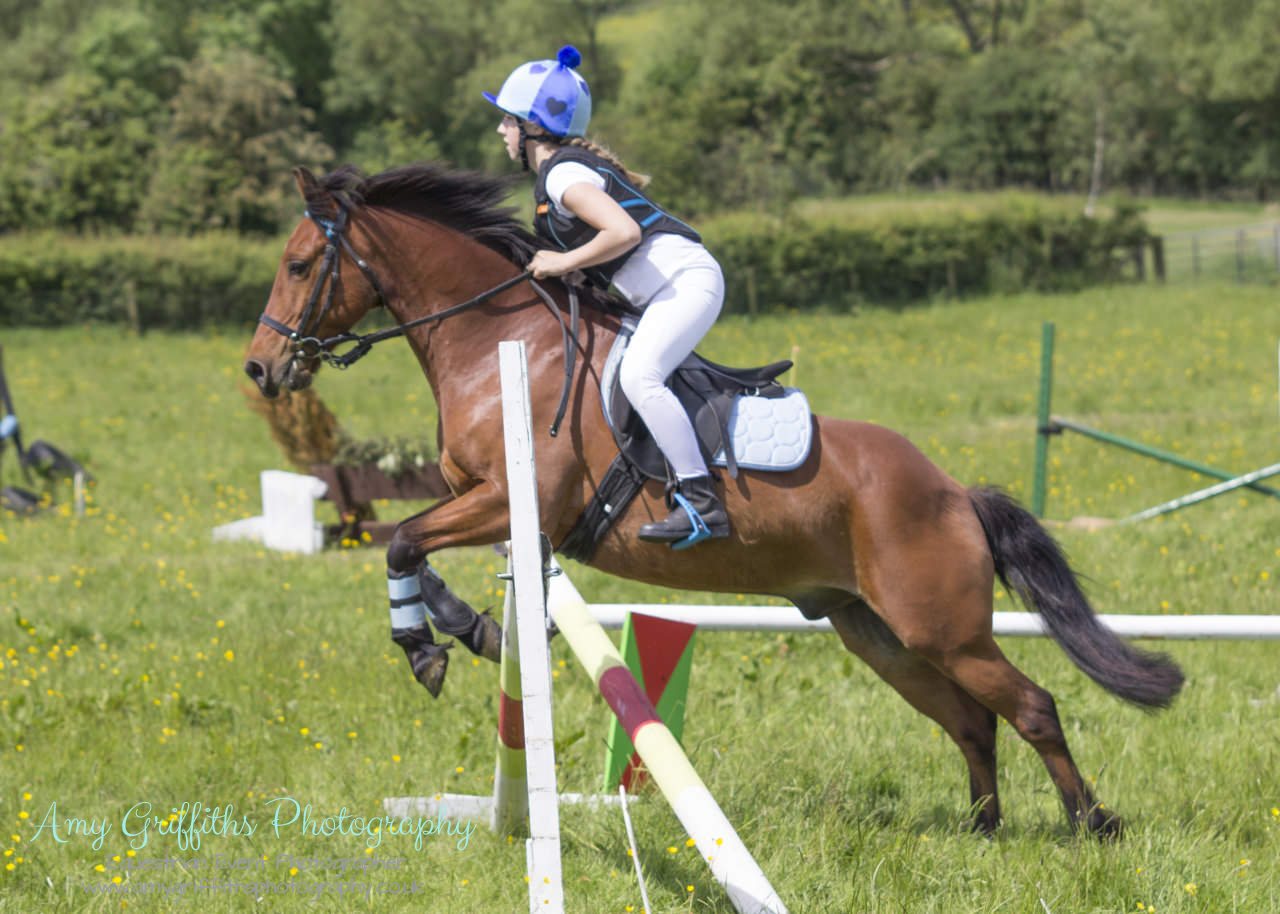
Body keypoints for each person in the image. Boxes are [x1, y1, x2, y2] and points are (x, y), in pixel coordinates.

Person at [483, 45, 729, 546]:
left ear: (532, 127)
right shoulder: (559, 178)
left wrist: (562, 261)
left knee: (640, 377)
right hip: (660, 291)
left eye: (508, 121)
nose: (501, 131)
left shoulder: (564, 175)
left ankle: (702, 503)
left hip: (684, 283)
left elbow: (623, 233)